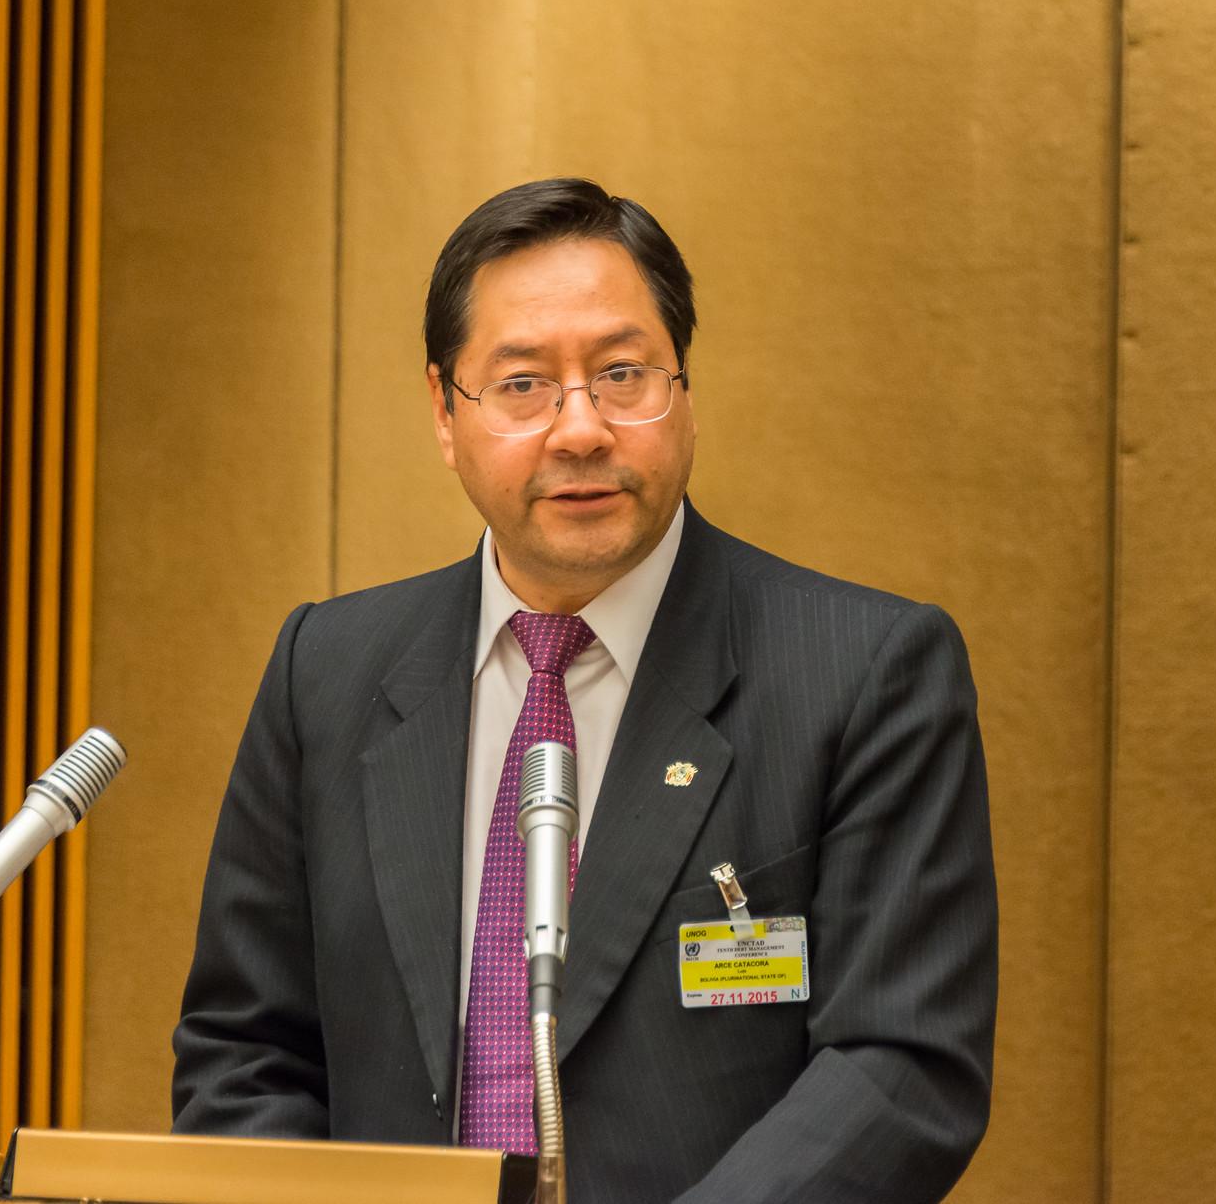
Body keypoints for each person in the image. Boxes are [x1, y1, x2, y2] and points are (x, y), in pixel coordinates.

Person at [172, 178, 997, 1203]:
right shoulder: (327, 669)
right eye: (522, 384)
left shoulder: (863, 670)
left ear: (682, 385)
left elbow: (899, 1066)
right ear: (442, 408)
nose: (579, 428)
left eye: (620, 373)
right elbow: (244, 1048)